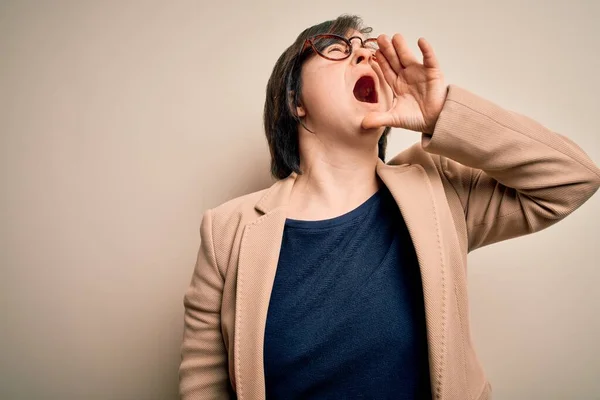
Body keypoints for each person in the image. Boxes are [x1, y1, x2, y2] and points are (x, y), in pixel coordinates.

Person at [178, 14, 600, 400]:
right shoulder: (226, 231)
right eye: (337, 48)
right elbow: (204, 387)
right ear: (295, 101)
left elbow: (572, 178)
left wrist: (440, 115)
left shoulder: (438, 189)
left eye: (367, 47)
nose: (364, 51)